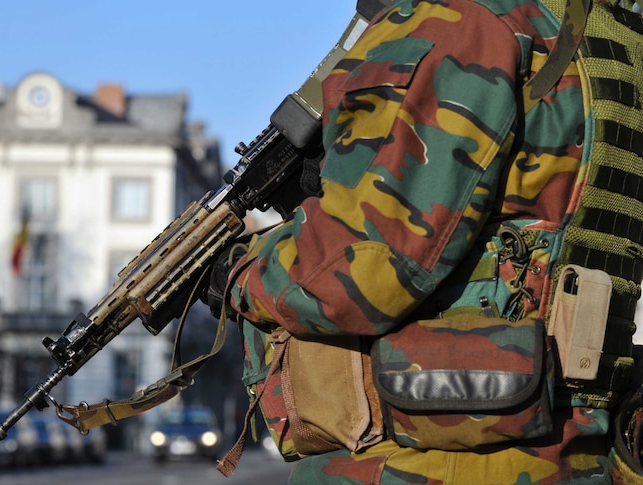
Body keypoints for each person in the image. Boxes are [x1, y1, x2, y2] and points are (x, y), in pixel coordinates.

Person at [202, 0, 643, 482]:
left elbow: (358, 271)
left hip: (431, 459)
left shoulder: (463, 18)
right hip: (577, 452)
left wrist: (239, 273)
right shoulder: (612, 35)